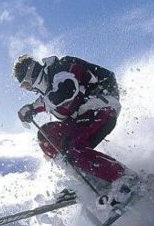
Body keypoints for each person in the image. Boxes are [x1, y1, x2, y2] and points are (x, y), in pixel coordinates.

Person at [12, 54, 138, 206]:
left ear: (31, 73)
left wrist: (34, 107)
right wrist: (31, 108)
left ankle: (126, 179)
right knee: (47, 136)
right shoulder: (49, 89)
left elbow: (67, 90)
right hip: (81, 117)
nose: (29, 89)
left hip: (101, 106)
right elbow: (53, 98)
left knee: (71, 146)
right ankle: (88, 181)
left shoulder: (60, 68)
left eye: (26, 84)